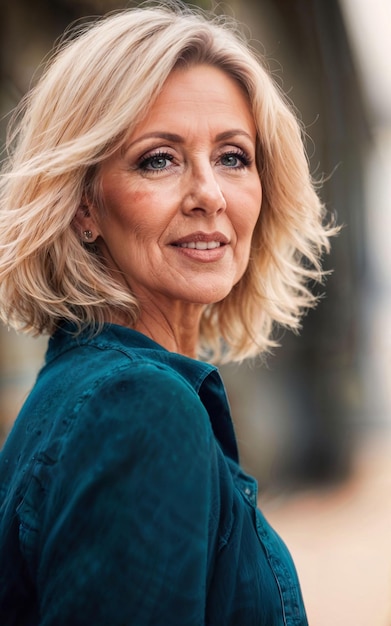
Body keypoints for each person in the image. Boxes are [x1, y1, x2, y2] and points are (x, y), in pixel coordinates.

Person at [0, 3, 336, 625]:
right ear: (84, 206)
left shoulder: (86, 390)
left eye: (233, 157)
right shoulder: (137, 408)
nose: (209, 193)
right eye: (160, 159)